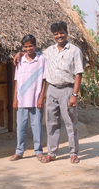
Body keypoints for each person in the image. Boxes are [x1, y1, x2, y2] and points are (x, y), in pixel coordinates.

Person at [14, 21, 84, 164]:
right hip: (52, 89)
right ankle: (52, 153)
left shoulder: (75, 51)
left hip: (67, 89)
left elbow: (78, 74)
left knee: (70, 122)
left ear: (66, 33)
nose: (59, 36)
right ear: (53, 36)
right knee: (52, 123)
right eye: (56, 34)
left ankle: (73, 153)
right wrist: (20, 53)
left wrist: (74, 95)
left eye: (61, 32)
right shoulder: (48, 51)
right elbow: (32, 52)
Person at [9, 34, 46, 162]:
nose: (28, 49)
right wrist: (15, 98)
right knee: (21, 127)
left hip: (36, 99)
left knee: (37, 127)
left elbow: (44, 80)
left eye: (30, 46)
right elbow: (16, 81)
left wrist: (42, 97)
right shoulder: (20, 60)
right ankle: (19, 151)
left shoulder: (42, 59)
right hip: (22, 99)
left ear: (35, 46)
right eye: (25, 47)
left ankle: (38, 151)